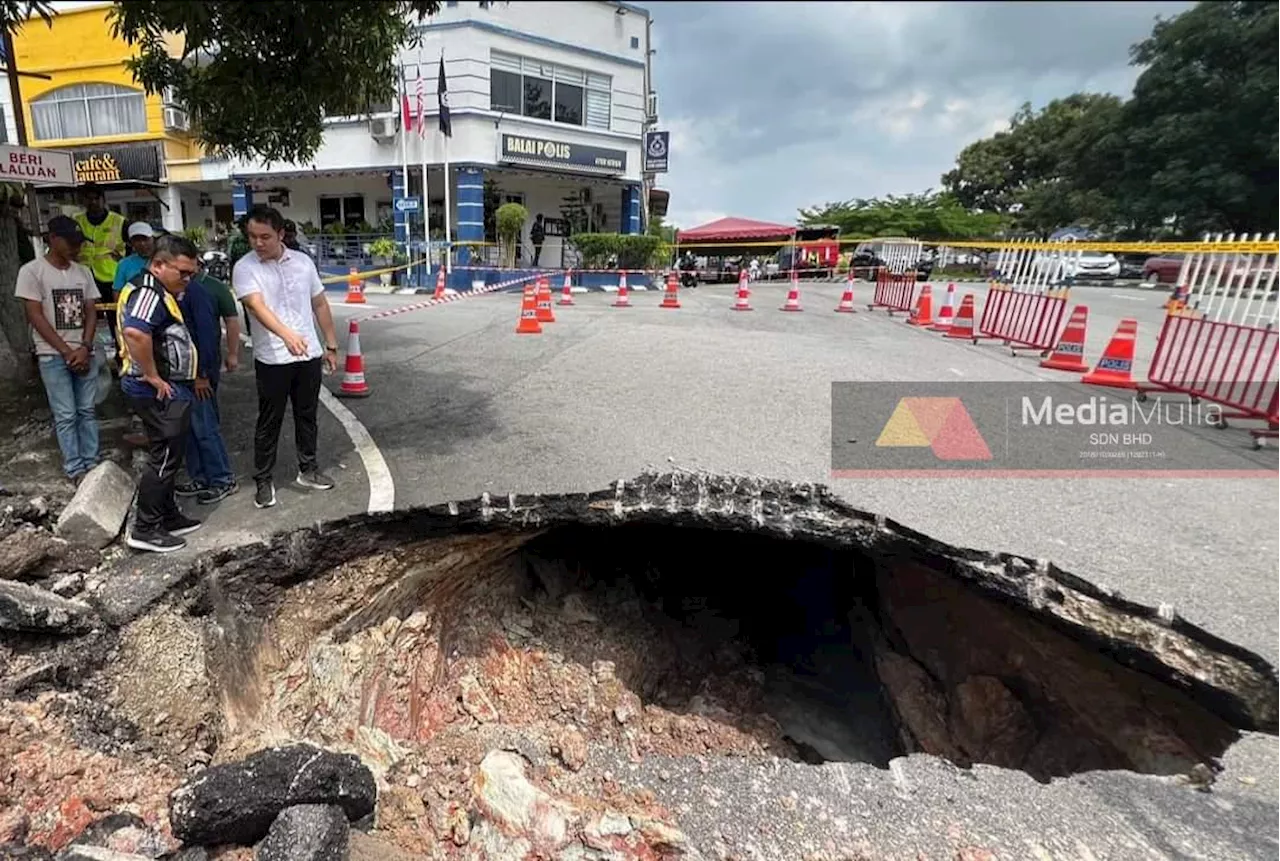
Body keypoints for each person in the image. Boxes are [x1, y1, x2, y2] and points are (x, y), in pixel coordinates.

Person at [233, 204, 340, 510]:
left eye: (265, 236)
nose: (258, 243)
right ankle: (263, 480)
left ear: (281, 234)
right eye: (252, 236)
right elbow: (256, 306)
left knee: (307, 416)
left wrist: (331, 344)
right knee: (270, 420)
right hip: (273, 359)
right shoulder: (245, 267)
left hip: (308, 356)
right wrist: (286, 335)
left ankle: (308, 469)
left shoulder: (303, 263)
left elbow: (319, 303)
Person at [117, 234, 204, 553]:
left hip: (165, 386)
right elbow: (136, 332)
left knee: (168, 453)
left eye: (191, 272)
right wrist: (152, 376)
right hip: (154, 388)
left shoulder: (157, 290)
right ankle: (146, 528)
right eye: (182, 272)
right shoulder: (148, 292)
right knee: (165, 456)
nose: (188, 278)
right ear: (158, 265)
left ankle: (166, 515)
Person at [14, 216, 100, 482]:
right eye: (70, 241)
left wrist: (84, 346)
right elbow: (35, 315)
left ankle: (92, 462)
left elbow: (91, 311)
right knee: (65, 413)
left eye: (78, 242)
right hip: (52, 354)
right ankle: (75, 468)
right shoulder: (32, 271)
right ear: (52, 239)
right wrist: (66, 351)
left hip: (84, 351)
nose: (76, 247)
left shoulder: (83, 272)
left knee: (87, 410)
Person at [175, 257, 242, 504]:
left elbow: (206, 335)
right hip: (183, 372)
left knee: (204, 426)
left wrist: (202, 374)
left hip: (198, 373)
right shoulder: (178, 291)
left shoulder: (198, 292)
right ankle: (200, 477)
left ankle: (222, 478)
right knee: (190, 428)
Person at [73, 184, 127, 343]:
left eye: (96, 198)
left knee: (116, 321)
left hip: (112, 280)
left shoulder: (119, 221)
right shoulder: (77, 222)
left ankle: (121, 355)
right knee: (84, 320)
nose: (93, 202)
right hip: (83, 279)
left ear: (103, 200)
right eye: (89, 199)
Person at [113, 222, 155, 293]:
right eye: (137, 240)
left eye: (145, 239)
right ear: (131, 243)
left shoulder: (164, 259)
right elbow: (117, 291)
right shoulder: (124, 264)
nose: (142, 243)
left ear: (152, 239)